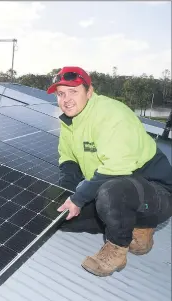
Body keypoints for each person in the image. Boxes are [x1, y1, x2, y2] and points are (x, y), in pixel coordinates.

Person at [47, 66, 172, 277]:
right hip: (110, 183)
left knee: (111, 193)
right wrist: (66, 193)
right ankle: (124, 222)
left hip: (154, 192)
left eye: (73, 91)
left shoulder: (112, 115)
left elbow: (116, 169)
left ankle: (119, 246)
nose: (66, 99)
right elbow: (68, 161)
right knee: (55, 214)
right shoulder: (70, 122)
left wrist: (78, 199)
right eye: (61, 93)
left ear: (89, 91)